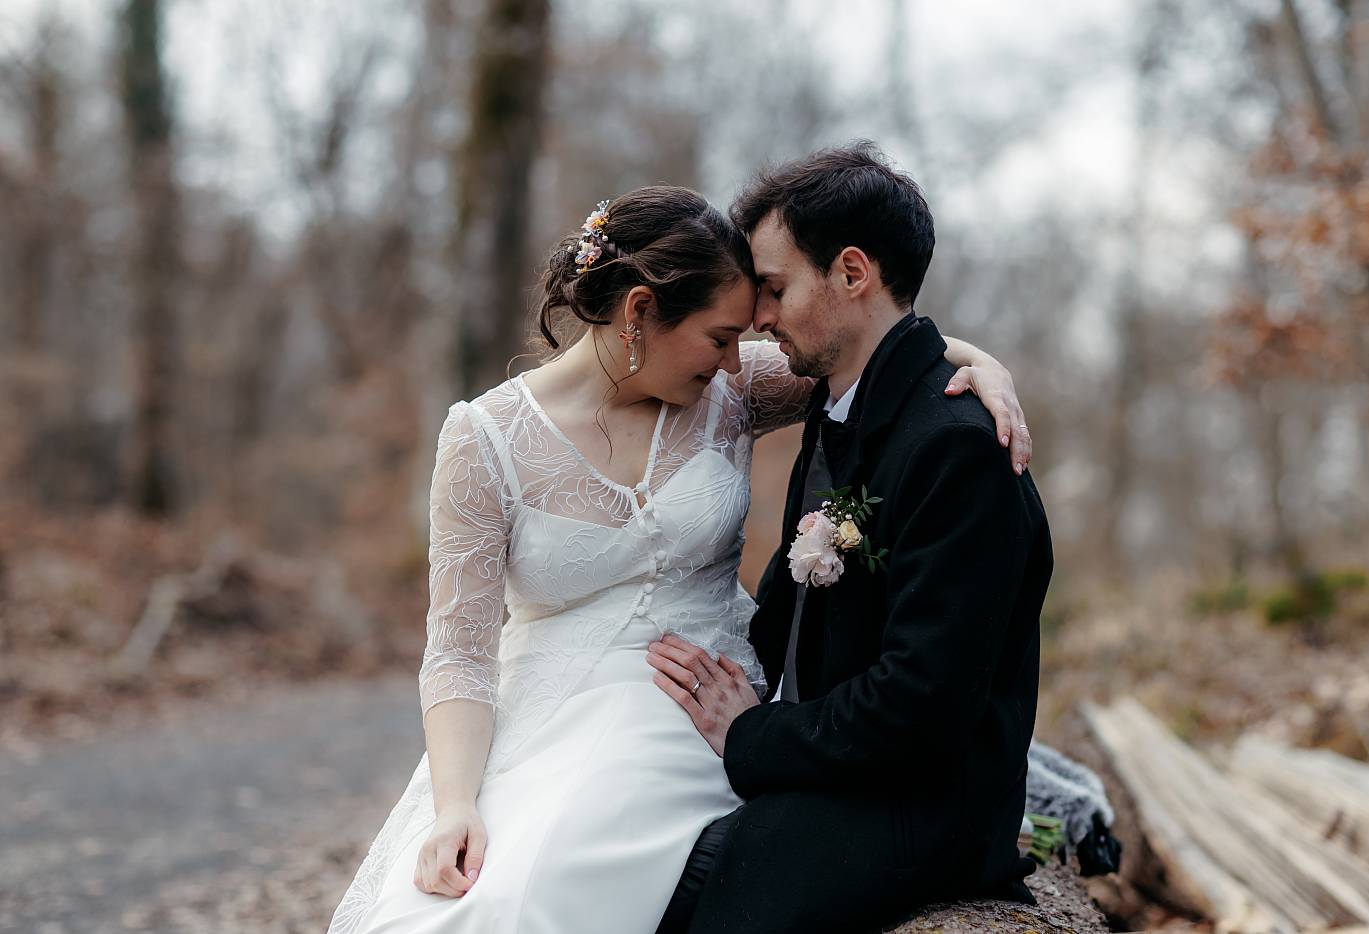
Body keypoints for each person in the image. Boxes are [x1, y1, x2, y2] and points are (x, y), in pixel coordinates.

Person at [325, 183, 1031, 934]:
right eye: (720, 336)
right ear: (638, 313)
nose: (736, 357)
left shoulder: (731, 390)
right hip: (545, 710)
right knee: (462, 895)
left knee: (554, 882)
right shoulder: (483, 440)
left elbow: (874, 349)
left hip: (690, 703)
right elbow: (459, 655)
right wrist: (455, 803)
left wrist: (985, 368)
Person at [649, 143, 1052, 934]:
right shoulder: (843, 406)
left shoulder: (956, 448)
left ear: (853, 273)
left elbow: (922, 705)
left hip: (922, 809)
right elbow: (789, 613)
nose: (759, 318)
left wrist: (751, 735)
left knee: (699, 882)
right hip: (839, 768)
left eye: (775, 288)